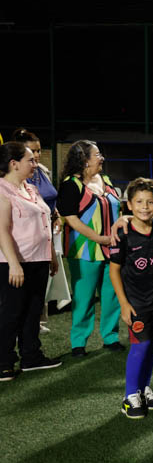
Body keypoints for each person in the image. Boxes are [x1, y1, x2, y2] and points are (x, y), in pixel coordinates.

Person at [109, 178, 153, 418]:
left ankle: (144, 388)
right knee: (140, 344)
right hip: (136, 302)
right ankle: (129, 396)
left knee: (152, 343)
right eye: (139, 202)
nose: (145, 207)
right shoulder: (123, 234)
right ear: (129, 205)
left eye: (150, 202)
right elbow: (114, 270)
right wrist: (124, 304)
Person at [0, 142, 61, 381]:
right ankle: (3, 361)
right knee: (12, 312)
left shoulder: (31, 189)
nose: (35, 164)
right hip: (14, 262)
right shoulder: (3, 190)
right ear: (14, 164)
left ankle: (31, 356)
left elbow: (43, 223)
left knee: (33, 310)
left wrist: (51, 256)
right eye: (30, 160)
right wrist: (14, 264)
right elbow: (2, 231)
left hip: (38, 259)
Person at [57, 140, 123, 357]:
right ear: (84, 160)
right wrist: (99, 238)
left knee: (112, 295)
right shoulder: (71, 184)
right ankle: (78, 343)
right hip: (84, 251)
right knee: (84, 299)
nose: (101, 157)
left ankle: (111, 337)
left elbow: (117, 210)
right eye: (97, 154)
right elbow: (72, 220)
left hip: (112, 248)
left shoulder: (105, 179)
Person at [11, 128, 62, 333]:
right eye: (32, 151)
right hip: (25, 232)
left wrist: (55, 212)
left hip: (46, 228)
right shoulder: (12, 177)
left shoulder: (41, 170)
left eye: (39, 150)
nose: (37, 155)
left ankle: (36, 320)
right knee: (21, 283)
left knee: (42, 279)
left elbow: (48, 196)